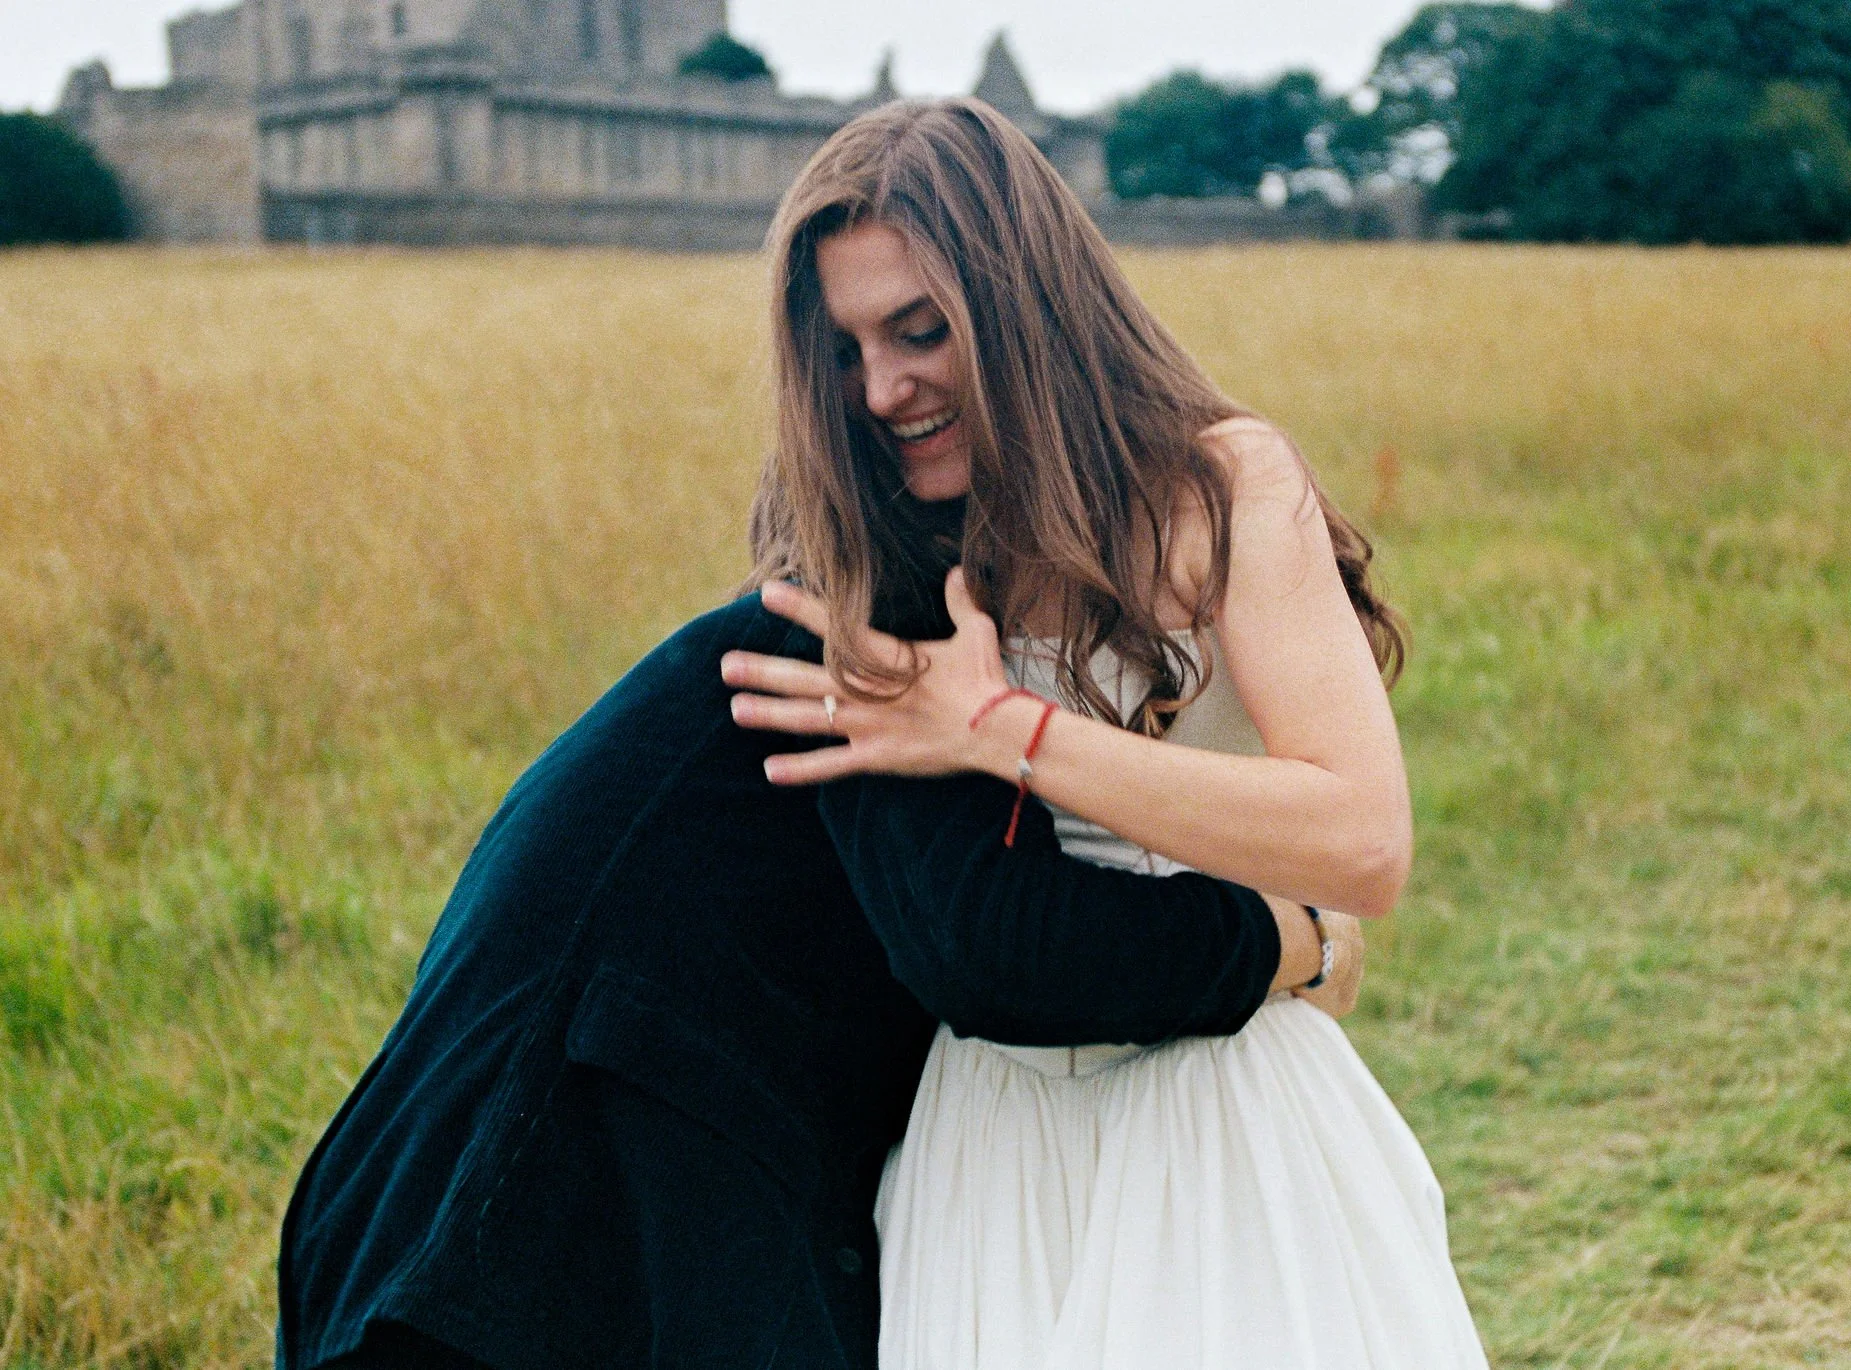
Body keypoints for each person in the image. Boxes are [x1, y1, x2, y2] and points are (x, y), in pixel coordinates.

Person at [724, 98, 1492, 1368]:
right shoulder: (871, 537)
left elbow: (1362, 841)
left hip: (1217, 1118)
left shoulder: (1221, 485)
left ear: (1020, 305)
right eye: (847, 346)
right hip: (986, 1142)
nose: (880, 386)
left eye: (921, 332)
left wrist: (999, 726)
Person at [273, 569, 1359, 1365]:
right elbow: (1002, 949)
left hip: (516, 1213)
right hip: (529, 1234)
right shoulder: (872, 609)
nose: (888, 387)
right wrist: (1290, 937)